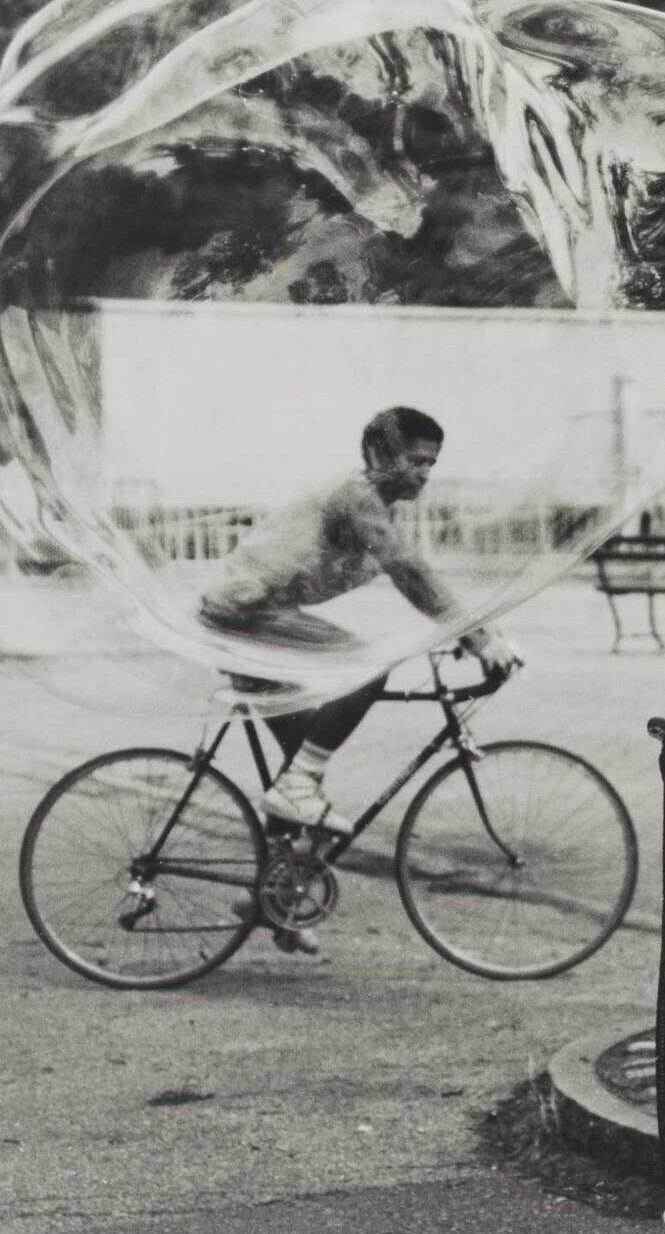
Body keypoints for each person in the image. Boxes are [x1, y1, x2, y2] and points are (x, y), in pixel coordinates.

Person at [200, 406, 522, 948]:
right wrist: (478, 638)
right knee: (367, 668)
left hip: (253, 613)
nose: (424, 473)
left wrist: (478, 633)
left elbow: (417, 576)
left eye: (432, 463)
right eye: (416, 460)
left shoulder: (377, 507)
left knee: (299, 760)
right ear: (378, 454)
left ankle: (273, 899)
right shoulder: (356, 498)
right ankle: (295, 801)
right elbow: (411, 573)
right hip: (245, 613)